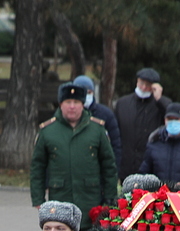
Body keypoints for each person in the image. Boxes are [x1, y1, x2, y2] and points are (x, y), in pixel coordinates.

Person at [31, 82, 116, 221]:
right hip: (60, 199)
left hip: (90, 201)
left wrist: (110, 197)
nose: (72, 106)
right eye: (68, 102)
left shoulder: (97, 129)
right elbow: (37, 167)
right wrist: (38, 199)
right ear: (60, 104)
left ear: (82, 104)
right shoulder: (48, 131)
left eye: (76, 102)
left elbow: (109, 165)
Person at [114, 69, 169, 181]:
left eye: (148, 85)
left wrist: (159, 98)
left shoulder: (160, 105)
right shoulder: (123, 104)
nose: (143, 87)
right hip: (126, 166)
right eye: (141, 83)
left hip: (151, 167)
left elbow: (172, 115)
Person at [72, 75, 122, 171]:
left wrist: (114, 171)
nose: (86, 96)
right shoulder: (67, 114)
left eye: (89, 92)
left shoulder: (106, 114)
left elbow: (115, 145)